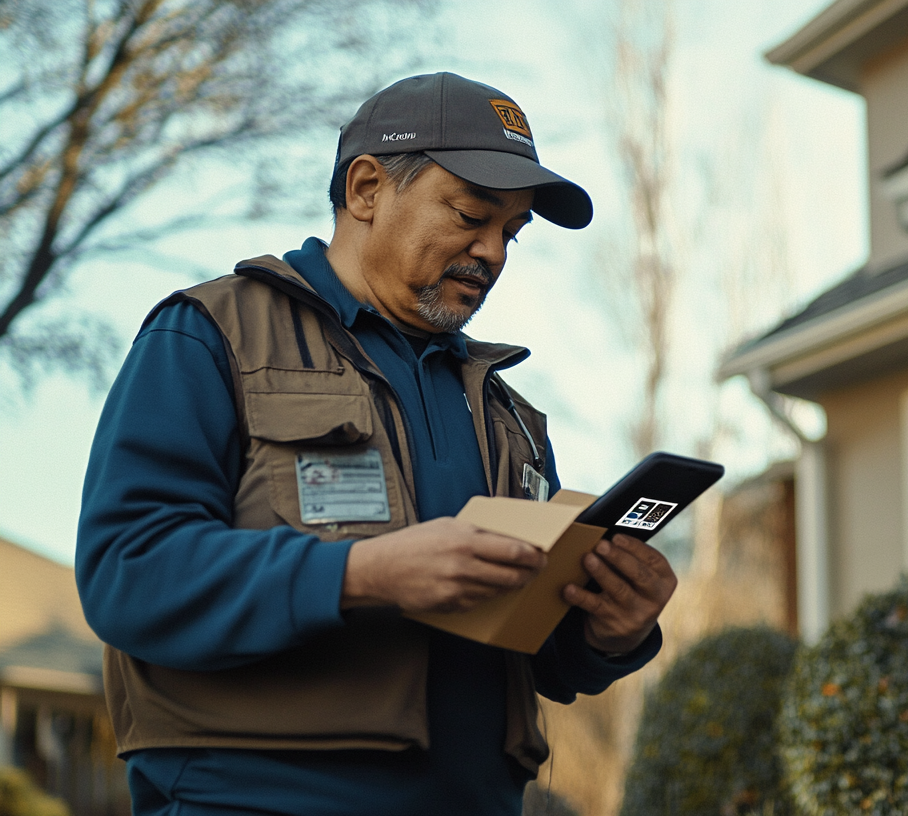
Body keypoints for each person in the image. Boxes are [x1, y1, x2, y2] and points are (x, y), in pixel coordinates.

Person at [75, 72, 677, 816]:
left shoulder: (509, 414)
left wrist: (610, 633)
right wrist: (360, 574)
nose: (492, 252)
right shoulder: (209, 336)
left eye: (511, 232)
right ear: (366, 189)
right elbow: (128, 572)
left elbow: (540, 653)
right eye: (470, 215)